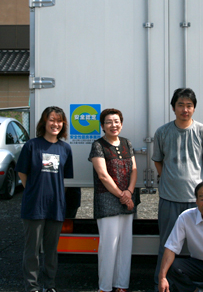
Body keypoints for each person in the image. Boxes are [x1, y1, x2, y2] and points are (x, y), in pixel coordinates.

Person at [152, 88, 203, 287]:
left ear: (194, 108)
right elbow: (158, 162)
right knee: (167, 244)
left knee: (198, 246)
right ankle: (161, 283)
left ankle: (198, 285)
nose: (185, 109)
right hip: (169, 198)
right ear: (173, 108)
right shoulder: (162, 132)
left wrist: (194, 181)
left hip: (195, 200)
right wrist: (172, 179)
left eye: (189, 105)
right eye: (180, 105)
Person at [16, 106, 74, 292]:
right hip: (34, 206)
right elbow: (22, 173)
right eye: (51, 120)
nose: (55, 124)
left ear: (63, 124)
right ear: (44, 122)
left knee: (51, 251)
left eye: (59, 121)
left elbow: (63, 178)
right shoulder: (32, 145)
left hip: (55, 207)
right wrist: (34, 192)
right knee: (32, 250)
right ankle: (32, 286)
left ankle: (50, 285)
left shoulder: (65, 148)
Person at [88, 108, 137, 292]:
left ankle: (121, 285)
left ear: (121, 124)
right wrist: (123, 196)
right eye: (109, 122)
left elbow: (134, 170)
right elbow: (103, 175)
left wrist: (129, 192)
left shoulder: (127, 143)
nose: (113, 125)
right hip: (107, 199)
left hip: (127, 198)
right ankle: (105, 287)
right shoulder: (98, 145)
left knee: (125, 244)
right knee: (109, 245)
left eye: (116, 121)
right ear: (102, 126)